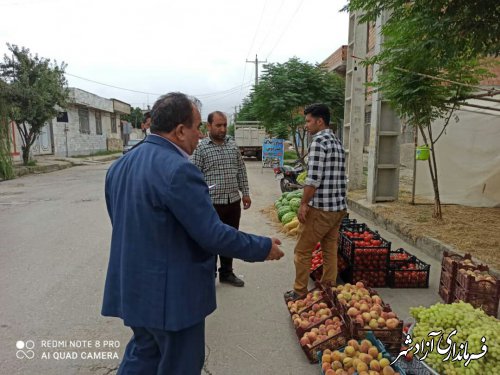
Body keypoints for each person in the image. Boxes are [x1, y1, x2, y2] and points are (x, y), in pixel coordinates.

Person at [102, 92, 284, 375]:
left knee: (143, 356)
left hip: (134, 288)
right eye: (197, 127)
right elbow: (212, 235)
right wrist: (262, 247)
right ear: (179, 130)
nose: (200, 135)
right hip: (172, 298)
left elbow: (125, 224)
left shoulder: (120, 166)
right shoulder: (178, 170)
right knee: (180, 365)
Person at [284, 103, 347, 300]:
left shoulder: (319, 141)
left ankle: (299, 292)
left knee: (302, 251)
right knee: (329, 251)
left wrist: (304, 203)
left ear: (320, 121)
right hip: (337, 208)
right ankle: (329, 289)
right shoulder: (336, 141)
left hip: (321, 209)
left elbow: (313, 179)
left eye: (309, 121)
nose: (306, 125)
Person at [191, 111, 251, 287]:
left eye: (224, 125)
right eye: (218, 125)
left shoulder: (232, 146)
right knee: (210, 241)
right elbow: (193, 176)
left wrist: (245, 193)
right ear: (208, 126)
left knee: (230, 239)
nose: (223, 129)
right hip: (211, 205)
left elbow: (241, 170)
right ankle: (209, 274)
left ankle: (227, 272)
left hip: (232, 202)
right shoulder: (200, 149)